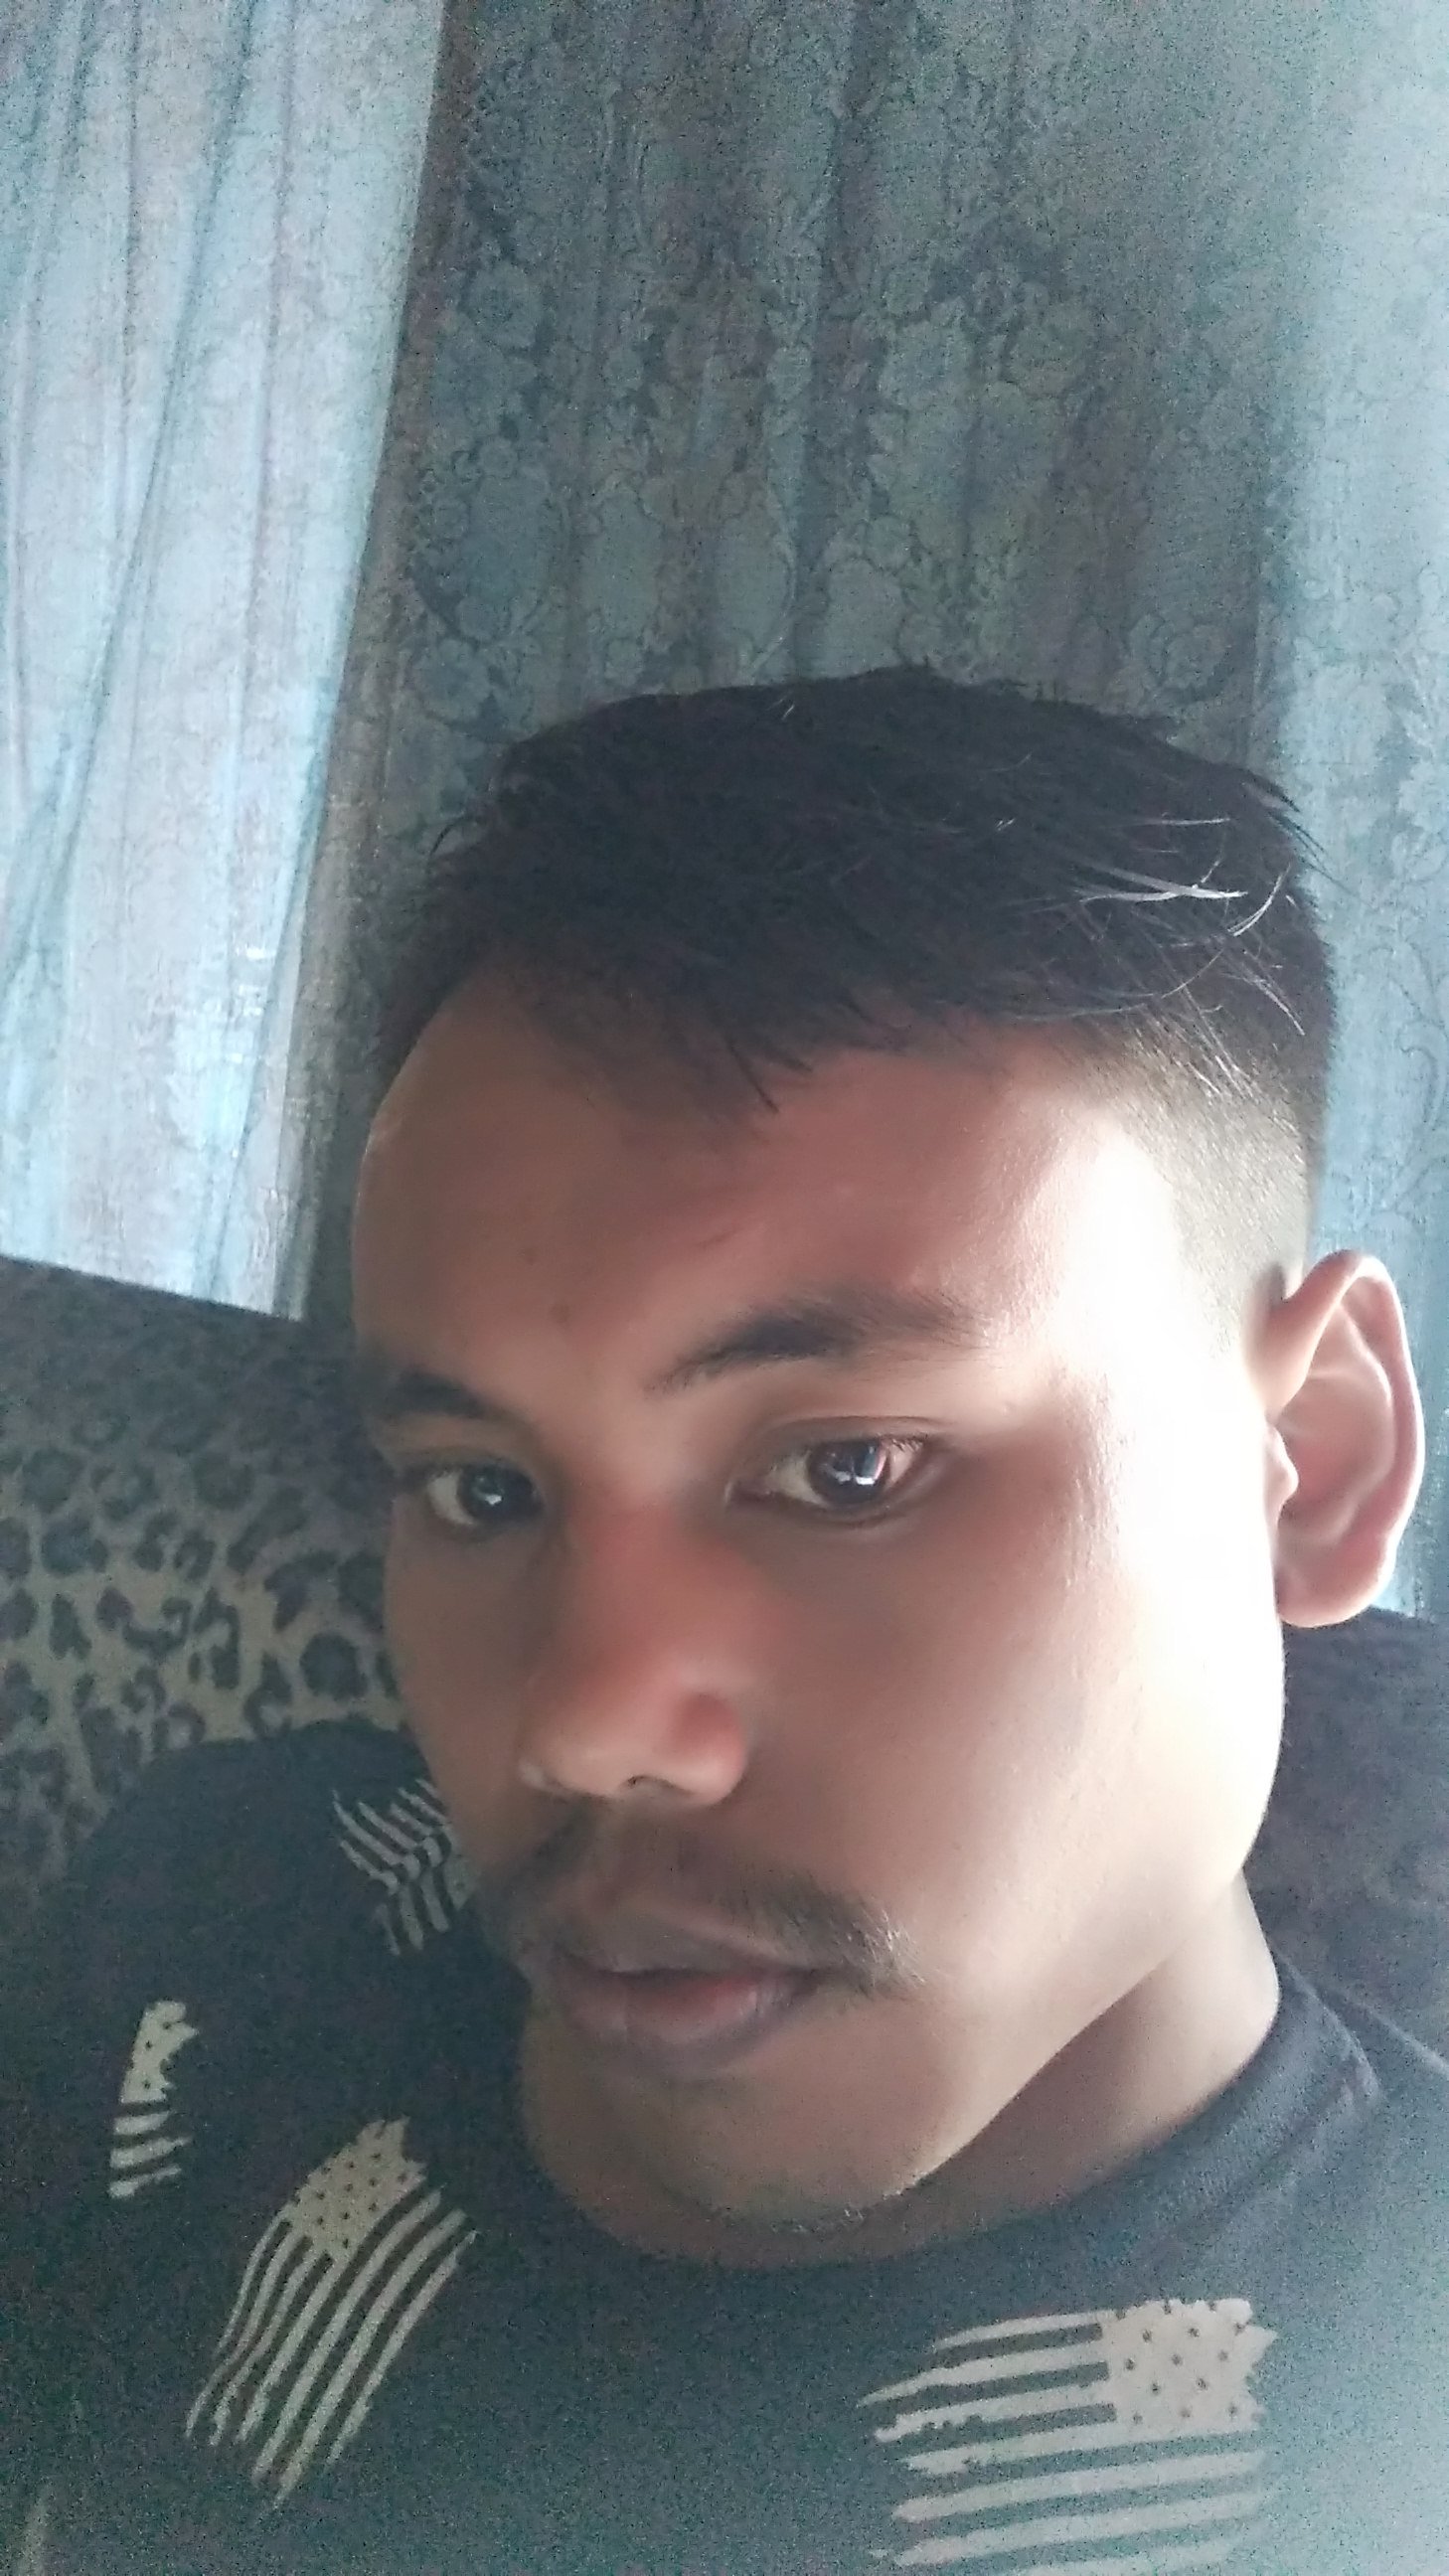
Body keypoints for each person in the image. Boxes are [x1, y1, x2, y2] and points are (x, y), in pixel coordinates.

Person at [1, 667, 1443, 2575]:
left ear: (1310, 1463)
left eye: (847, 1468)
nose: (585, 1725)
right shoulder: (220, 1925)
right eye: (481, 1489)